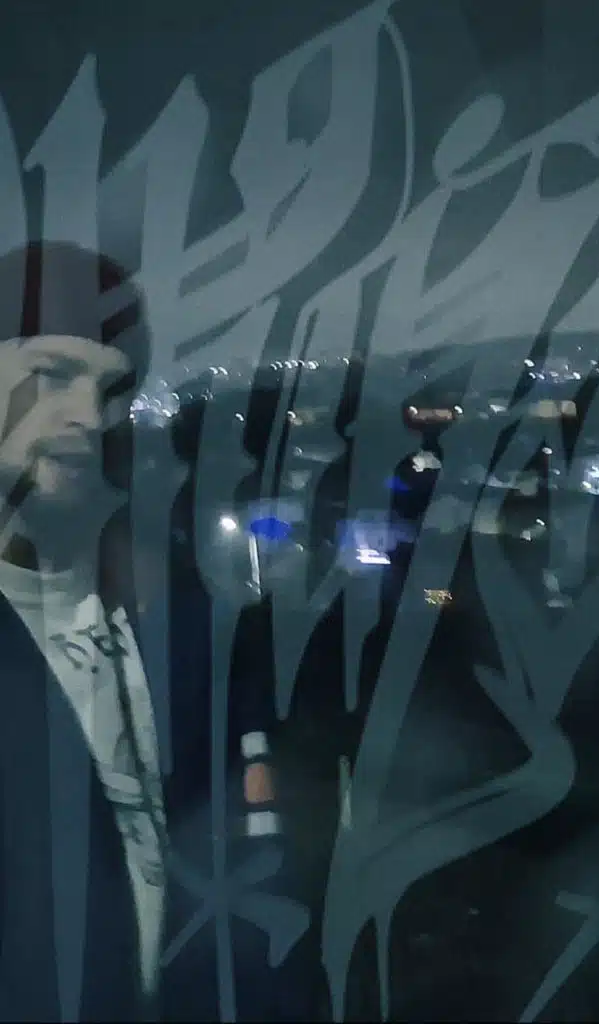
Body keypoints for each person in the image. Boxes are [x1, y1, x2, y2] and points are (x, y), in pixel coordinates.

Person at [0, 241, 283, 1021]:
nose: (87, 415)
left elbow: (249, 877)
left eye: (112, 389)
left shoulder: (179, 620)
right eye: (52, 374)